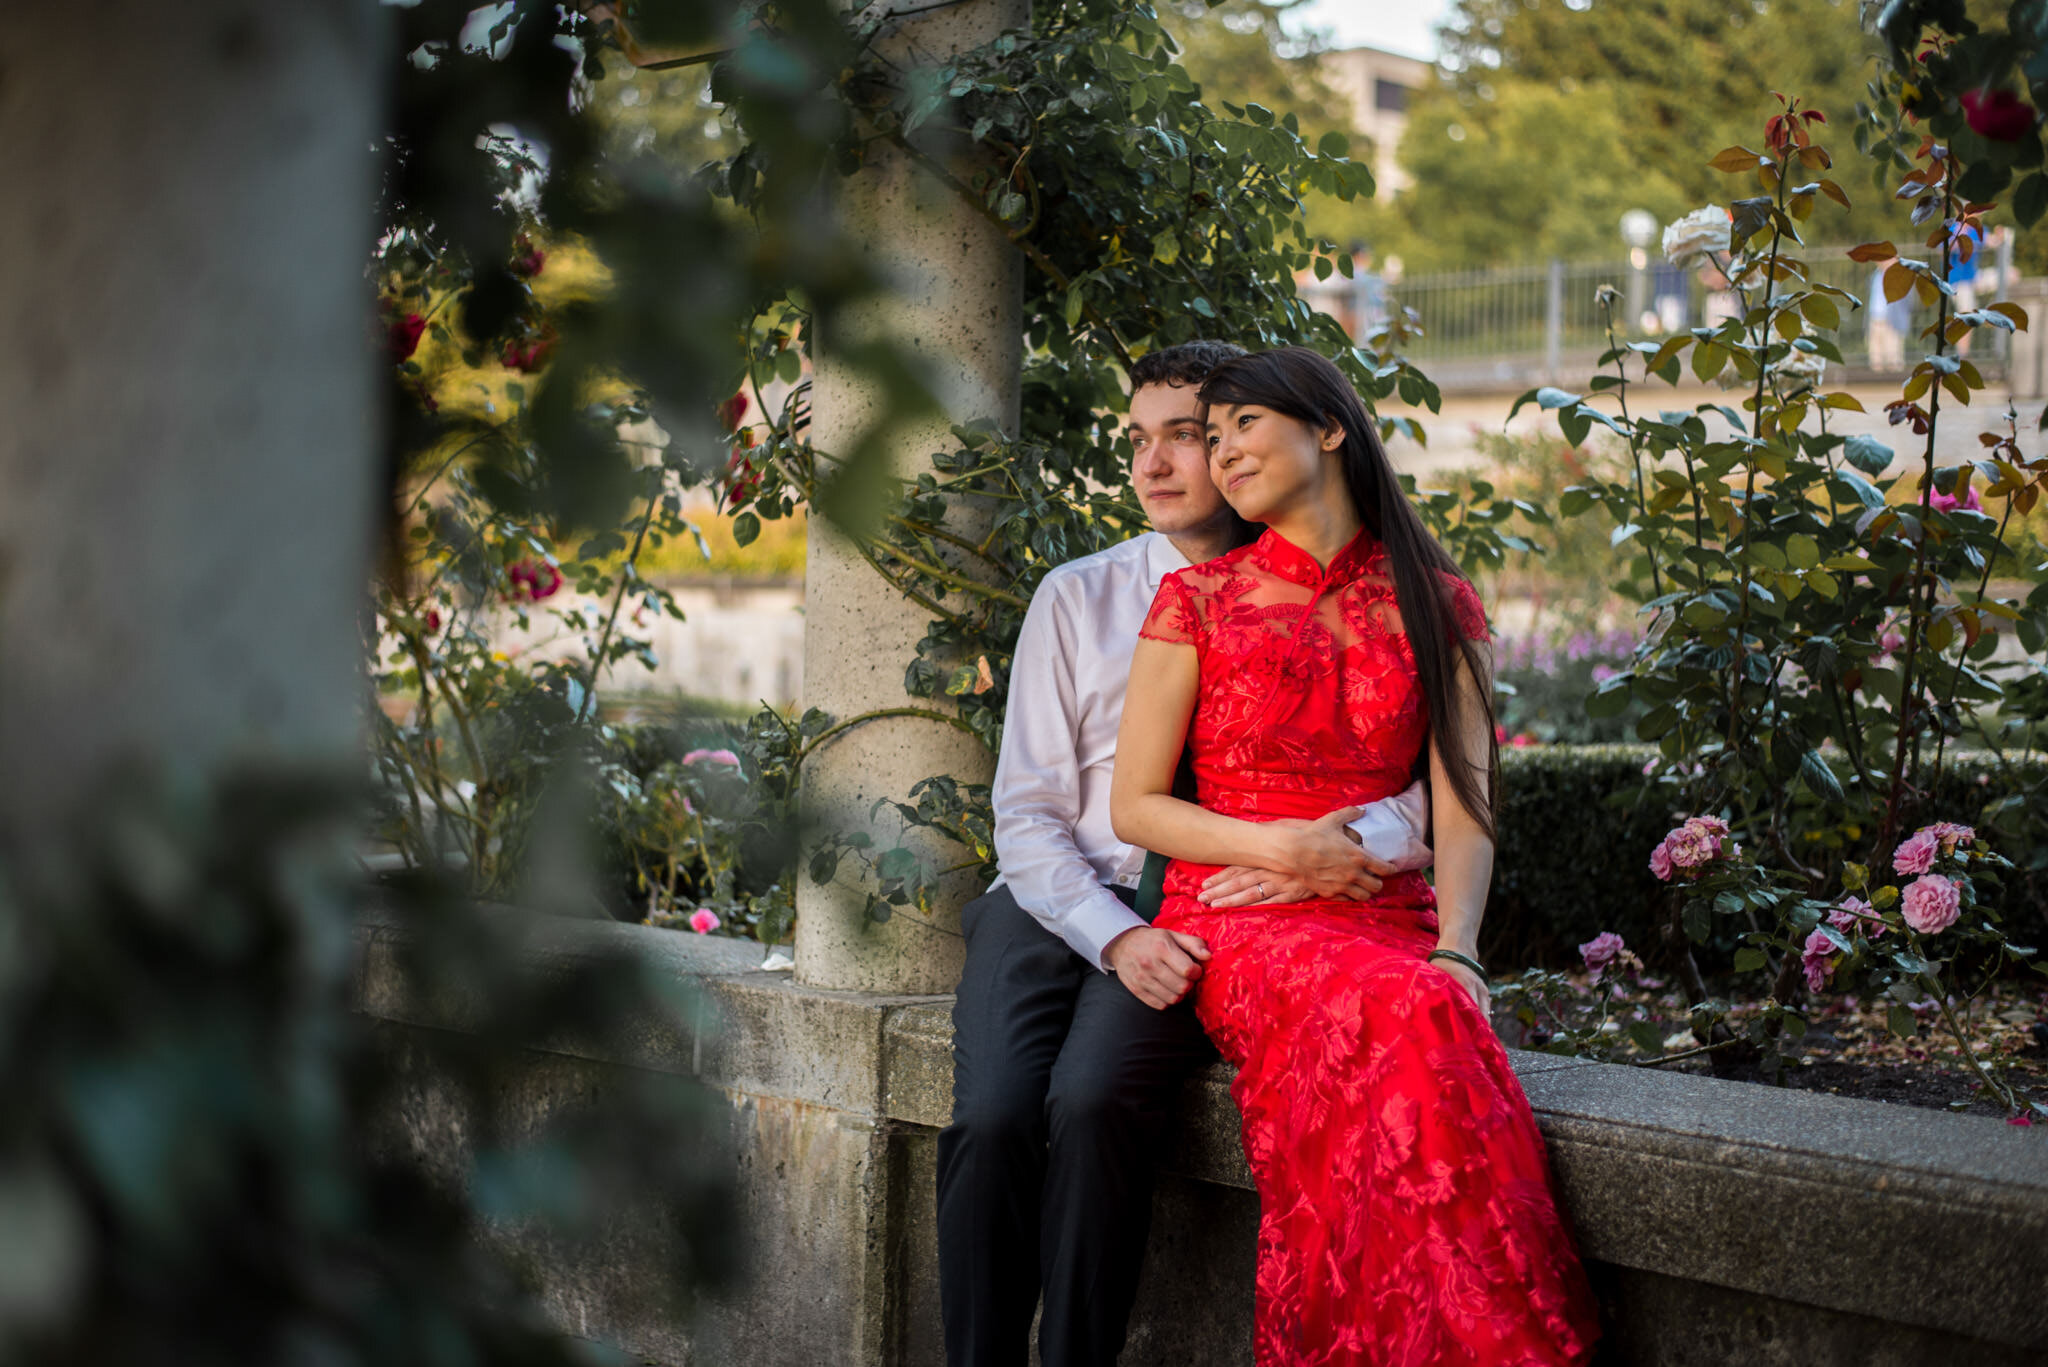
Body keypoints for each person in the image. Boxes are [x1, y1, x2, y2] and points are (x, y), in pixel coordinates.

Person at [937, 340, 1432, 1367]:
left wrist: (1344, 843)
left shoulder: (1333, 591)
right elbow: (1026, 815)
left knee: (1092, 1100)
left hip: (1208, 904)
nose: (1155, 463)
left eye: (1189, 436)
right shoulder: (1080, 596)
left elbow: (1408, 774)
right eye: (1139, 439)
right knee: (990, 1117)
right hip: (1054, 897)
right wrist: (1114, 936)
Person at [1110, 346, 1600, 1365]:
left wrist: (1460, 948)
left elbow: (1465, 800)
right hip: (1238, 910)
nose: (1220, 451)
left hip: (1384, 918)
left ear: (1327, 428)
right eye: (1212, 434)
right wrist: (1277, 845)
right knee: (1402, 1008)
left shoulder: (1433, 599)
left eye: (1240, 423)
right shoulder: (1196, 599)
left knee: (1428, 1001)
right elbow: (1136, 806)